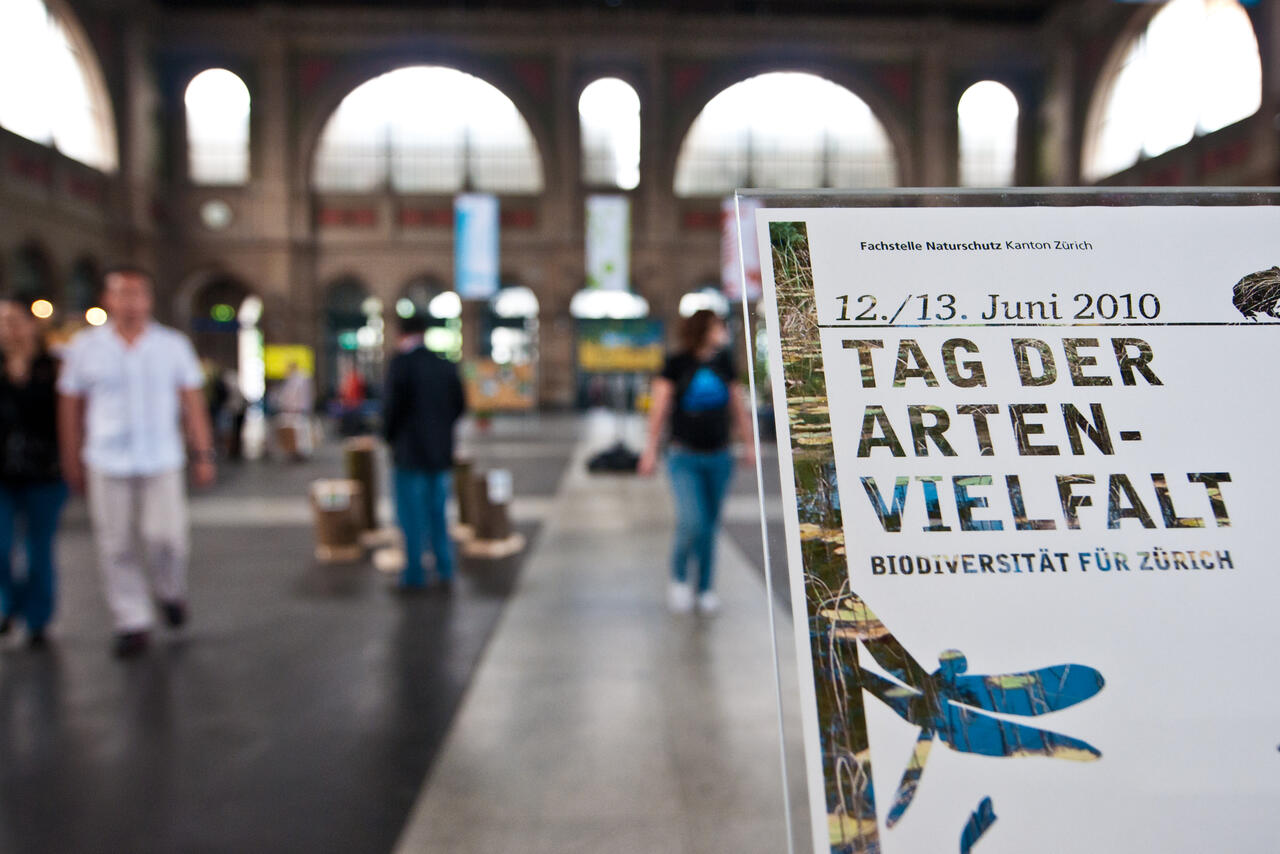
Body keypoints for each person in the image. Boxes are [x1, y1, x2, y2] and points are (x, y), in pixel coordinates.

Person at [57, 265, 216, 658]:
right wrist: (71, 457)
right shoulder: (84, 348)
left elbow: (192, 403)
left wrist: (203, 452)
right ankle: (132, 620)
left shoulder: (172, 345)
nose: (131, 302)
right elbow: (71, 407)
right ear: (107, 299)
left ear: (148, 299)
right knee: (116, 544)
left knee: (168, 537)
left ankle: (170, 591)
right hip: (106, 458)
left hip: (161, 457)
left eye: (138, 294)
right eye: (122, 294)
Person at [638, 309, 753, 615]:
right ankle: (678, 577)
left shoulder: (724, 362)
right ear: (703, 329)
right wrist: (650, 450)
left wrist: (749, 442)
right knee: (693, 521)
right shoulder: (676, 363)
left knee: (710, 526)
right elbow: (659, 409)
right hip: (683, 456)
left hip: (720, 456)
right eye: (718, 326)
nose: (723, 331)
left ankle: (704, 588)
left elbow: (737, 405)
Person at [0, 300, 67, 648]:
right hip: (3, 473)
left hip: (45, 471)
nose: (7, 328)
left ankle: (38, 617)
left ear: (31, 323)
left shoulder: (53, 368)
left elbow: (67, 418)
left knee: (38, 546)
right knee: (1, 545)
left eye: (13, 320)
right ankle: (9, 605)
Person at [382, 314, 466, 591]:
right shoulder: (445, 365)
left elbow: (392, 410)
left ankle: (415, 575)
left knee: (411, 517)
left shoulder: (401, 365)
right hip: (440, 453)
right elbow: (459, 406)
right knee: (438, 514)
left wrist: (389, 437)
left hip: (410, 454)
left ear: (402, 334)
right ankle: (445, 569)